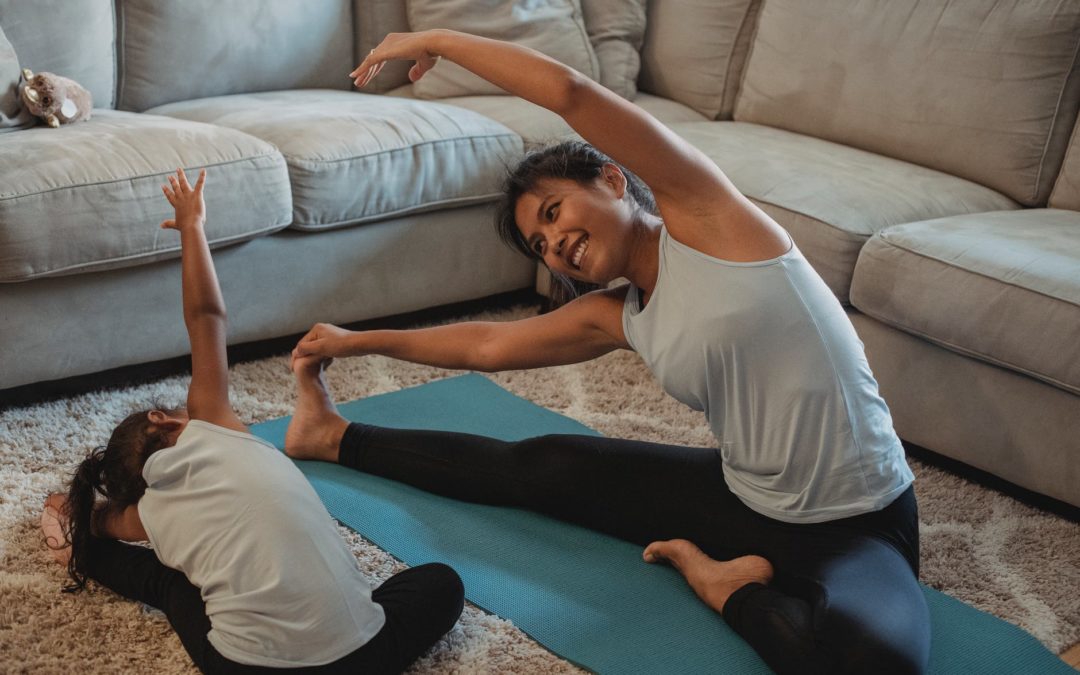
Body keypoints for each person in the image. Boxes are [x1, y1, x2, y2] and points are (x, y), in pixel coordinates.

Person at [287, 30, 930, 675]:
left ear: (613, 179)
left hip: (861, 521)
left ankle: (726, 588)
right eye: (538, 244)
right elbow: (486, 343)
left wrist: (437, 39)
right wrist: (352, 339)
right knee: (541, 466)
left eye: (554, 211)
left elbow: (570, 93)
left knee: (879, 665)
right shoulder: (615, 313)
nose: (554, 242)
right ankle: (333, 436)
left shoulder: (711, 222)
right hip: (740, 499)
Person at [40, 168, 464, 675]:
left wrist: (76, 512)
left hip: (248, 670)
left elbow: (103, 524)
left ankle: (80, 556)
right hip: (364, 657)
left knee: (170, 582)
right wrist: (193, 226)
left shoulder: (144, 516)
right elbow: (206, 318)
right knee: (441, 581)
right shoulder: (212, 425)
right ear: (164, 421)